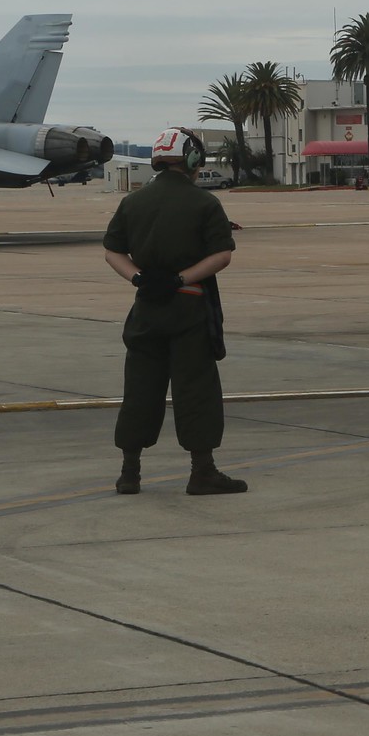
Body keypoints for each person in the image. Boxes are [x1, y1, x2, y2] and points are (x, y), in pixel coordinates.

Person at [102, 126, 247, 496]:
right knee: (195, 388)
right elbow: (222, 255)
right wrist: (181, 278)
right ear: (194, 159)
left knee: (139, 389)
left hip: (146, 309)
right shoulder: (204, 203)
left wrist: (139, 279)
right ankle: (202, 471)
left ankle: (129, 472)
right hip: (189, 308)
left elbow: (113, 252)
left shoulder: (132, 203)